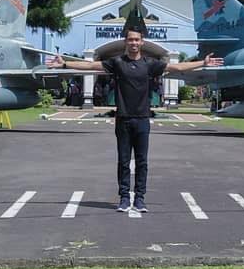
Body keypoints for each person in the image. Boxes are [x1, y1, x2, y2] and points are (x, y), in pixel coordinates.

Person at [48, 29, 223, 212]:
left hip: (142, 120)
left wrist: (203, 63)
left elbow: (177, 68)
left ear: (142, 42)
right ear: (126, 42)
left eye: (136, 40)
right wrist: (64, 64)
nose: (133, 43)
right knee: (123, 161)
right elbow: (92, 66)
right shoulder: (117, 62)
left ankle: (139, 198)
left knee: (142, 162)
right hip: (123, 119)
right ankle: (124, 198)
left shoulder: (150, 64)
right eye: (130, 40)